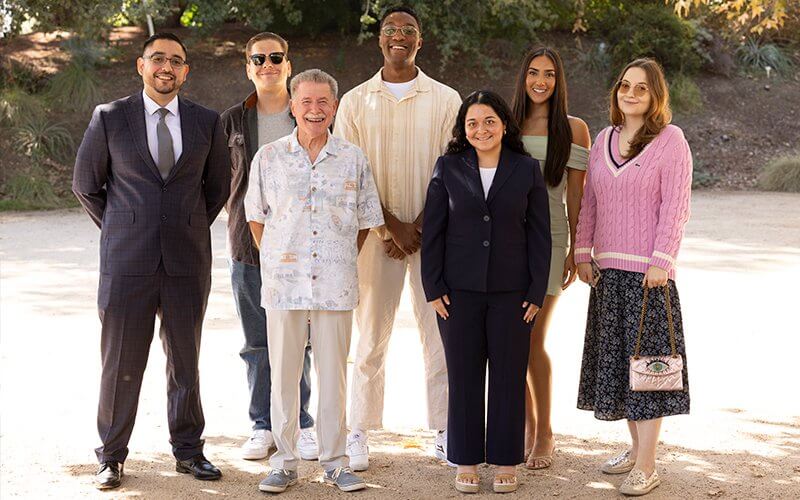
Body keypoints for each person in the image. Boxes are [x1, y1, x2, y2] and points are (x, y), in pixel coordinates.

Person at [72, 32, 230, 490]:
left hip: (186, 261)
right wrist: (124, 226)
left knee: (185, 362)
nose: (167, 67)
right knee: (120, 363)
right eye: (157, 58)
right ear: (140, 66)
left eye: (176, 61)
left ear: (186, 71)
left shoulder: (206, 121)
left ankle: (189, 451)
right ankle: (111, 456)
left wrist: (183, 225)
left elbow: (217, 188)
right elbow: (86, 185)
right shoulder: (109, 117)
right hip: (127, 262)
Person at [333, 5, 462, 470]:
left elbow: (455, 165)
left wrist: (421, 226)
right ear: (380, 39)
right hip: (375, 239)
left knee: (440, 334)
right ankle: (358, 430)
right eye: (390, 29)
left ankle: (446, 429)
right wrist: (389, 226)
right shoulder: (355, 102)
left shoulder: (446, 100)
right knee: (369, 337)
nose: (399, 36)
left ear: (420, 41)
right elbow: (350, 170)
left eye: (409, 30)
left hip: (435, 237)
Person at [245, 69, 384, 494]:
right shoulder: (269, 157)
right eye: (306, 101)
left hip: (336, 285)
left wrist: (337, 256)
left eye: (323, 101)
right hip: (284, 285)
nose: (314, 109)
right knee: (284, 377)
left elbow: (365, 220)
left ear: (335, 107)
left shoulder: (353, 158)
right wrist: (280, 259)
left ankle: (336, 462)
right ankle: (285, 463)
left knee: (333, 378)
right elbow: (256, 217)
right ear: (292, 106)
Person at [421, 90, 551, 494]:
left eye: (489, 121)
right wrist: (433, 286)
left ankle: (506, 460)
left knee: (509, 376)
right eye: (473, 123)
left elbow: (540, 234)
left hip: (514, 294)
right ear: (463, 129)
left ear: (505, 125)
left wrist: (536, 291)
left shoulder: (526, 169)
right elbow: (434, 231)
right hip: (457, 293)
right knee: (464, 376)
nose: (481, 130)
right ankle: (465, 459)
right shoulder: (448, 167)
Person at [574, 58, 692, 496]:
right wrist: (582, 251)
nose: (631, 93)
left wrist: (662, 259)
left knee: (648, 372)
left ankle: (647, 464)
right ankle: (635, 448)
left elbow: (676, 205)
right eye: (625, 85)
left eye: (641, 87)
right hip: (608, 275)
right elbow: (590, 202)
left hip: (648, 277)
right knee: (620, 369)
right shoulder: (603, 139)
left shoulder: (671, 140)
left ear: (655, 95)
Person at [220, 31, 317, 462]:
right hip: (247, 248)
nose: (268, 65)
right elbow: (218, 181)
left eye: (276, 57)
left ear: (288, 65)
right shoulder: (232, 122)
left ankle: (302, 423)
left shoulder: (308, 114)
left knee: (302, 340)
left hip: (302, 249)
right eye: (258, 59)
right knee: (257, 343)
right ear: (248, 68)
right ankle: (262, 425)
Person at [509, 46, 591, 469]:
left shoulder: (574, 129)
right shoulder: (506, 124)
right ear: (523, 77)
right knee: (509, 342)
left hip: (552, 241)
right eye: (534, 72)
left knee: (531, 340)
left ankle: (544, 432)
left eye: (550, 74)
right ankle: (526, 425)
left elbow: (576, 195)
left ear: (559, 81)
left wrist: (578, 249)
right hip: (506, 244)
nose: (540, 81)